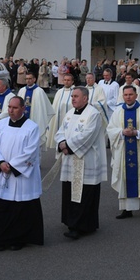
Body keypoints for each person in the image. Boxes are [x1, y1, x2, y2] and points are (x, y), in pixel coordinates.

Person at [0, 97, 43, 251]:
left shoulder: (31, 127)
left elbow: (30, 152)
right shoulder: (2, 124)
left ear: (23, 109)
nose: (11, 110)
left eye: (15, 108)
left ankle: (19, 239)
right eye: (9, 107)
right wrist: (0, 163)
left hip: (20, 174)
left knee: (20, 208)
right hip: (2, 171)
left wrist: (12, 166)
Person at [54, 87, 107, 239]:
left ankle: (82, 226)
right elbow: (60, 132)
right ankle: (70, 221)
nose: (73, 99)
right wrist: (62, 143)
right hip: (70, 159)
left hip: (86, 160)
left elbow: (87, 136)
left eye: (76, 96)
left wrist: (67, 146)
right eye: (72, 97)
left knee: (84, 193)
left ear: (85, 98)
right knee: (70, 191)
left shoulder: (93, 114)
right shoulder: (70, 114)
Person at [107, 86, 140, 218]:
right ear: (123, 96)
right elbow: (110, 129)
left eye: (131, 94)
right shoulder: (118, 111)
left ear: (136, 95)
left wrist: (136, 132)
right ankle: (126, 210)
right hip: (123, 149)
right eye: (126, 95)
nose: (128, 97)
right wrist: (121, 132)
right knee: (125, 177)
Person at [17, 72, 54, 146]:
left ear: (34, 79)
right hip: (22, 121)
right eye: (26, 79)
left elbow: (45, 108)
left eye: (30, 79)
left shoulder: (39, 91)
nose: (28, 80)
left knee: (35, 145)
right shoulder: (22, 90)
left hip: (35, 120)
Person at [48, 73, 75, 149]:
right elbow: (55, 106)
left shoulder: (76, 91)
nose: (66, 82)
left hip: (71, 120)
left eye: (68, 80)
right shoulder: (59, 92)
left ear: (72, 81)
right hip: (58, 120)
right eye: (65, 80)